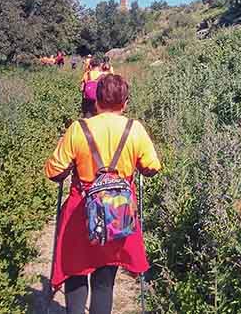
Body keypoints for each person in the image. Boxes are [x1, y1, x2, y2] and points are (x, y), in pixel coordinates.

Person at [45, 74, 161, 314]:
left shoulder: (79, 129)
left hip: (80, 213)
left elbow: (54, 172)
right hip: (117, 214)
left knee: (75, 273)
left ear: (95, 101)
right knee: (104, 281)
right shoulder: (134, 129)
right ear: (125, 103)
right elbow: (152, 168)